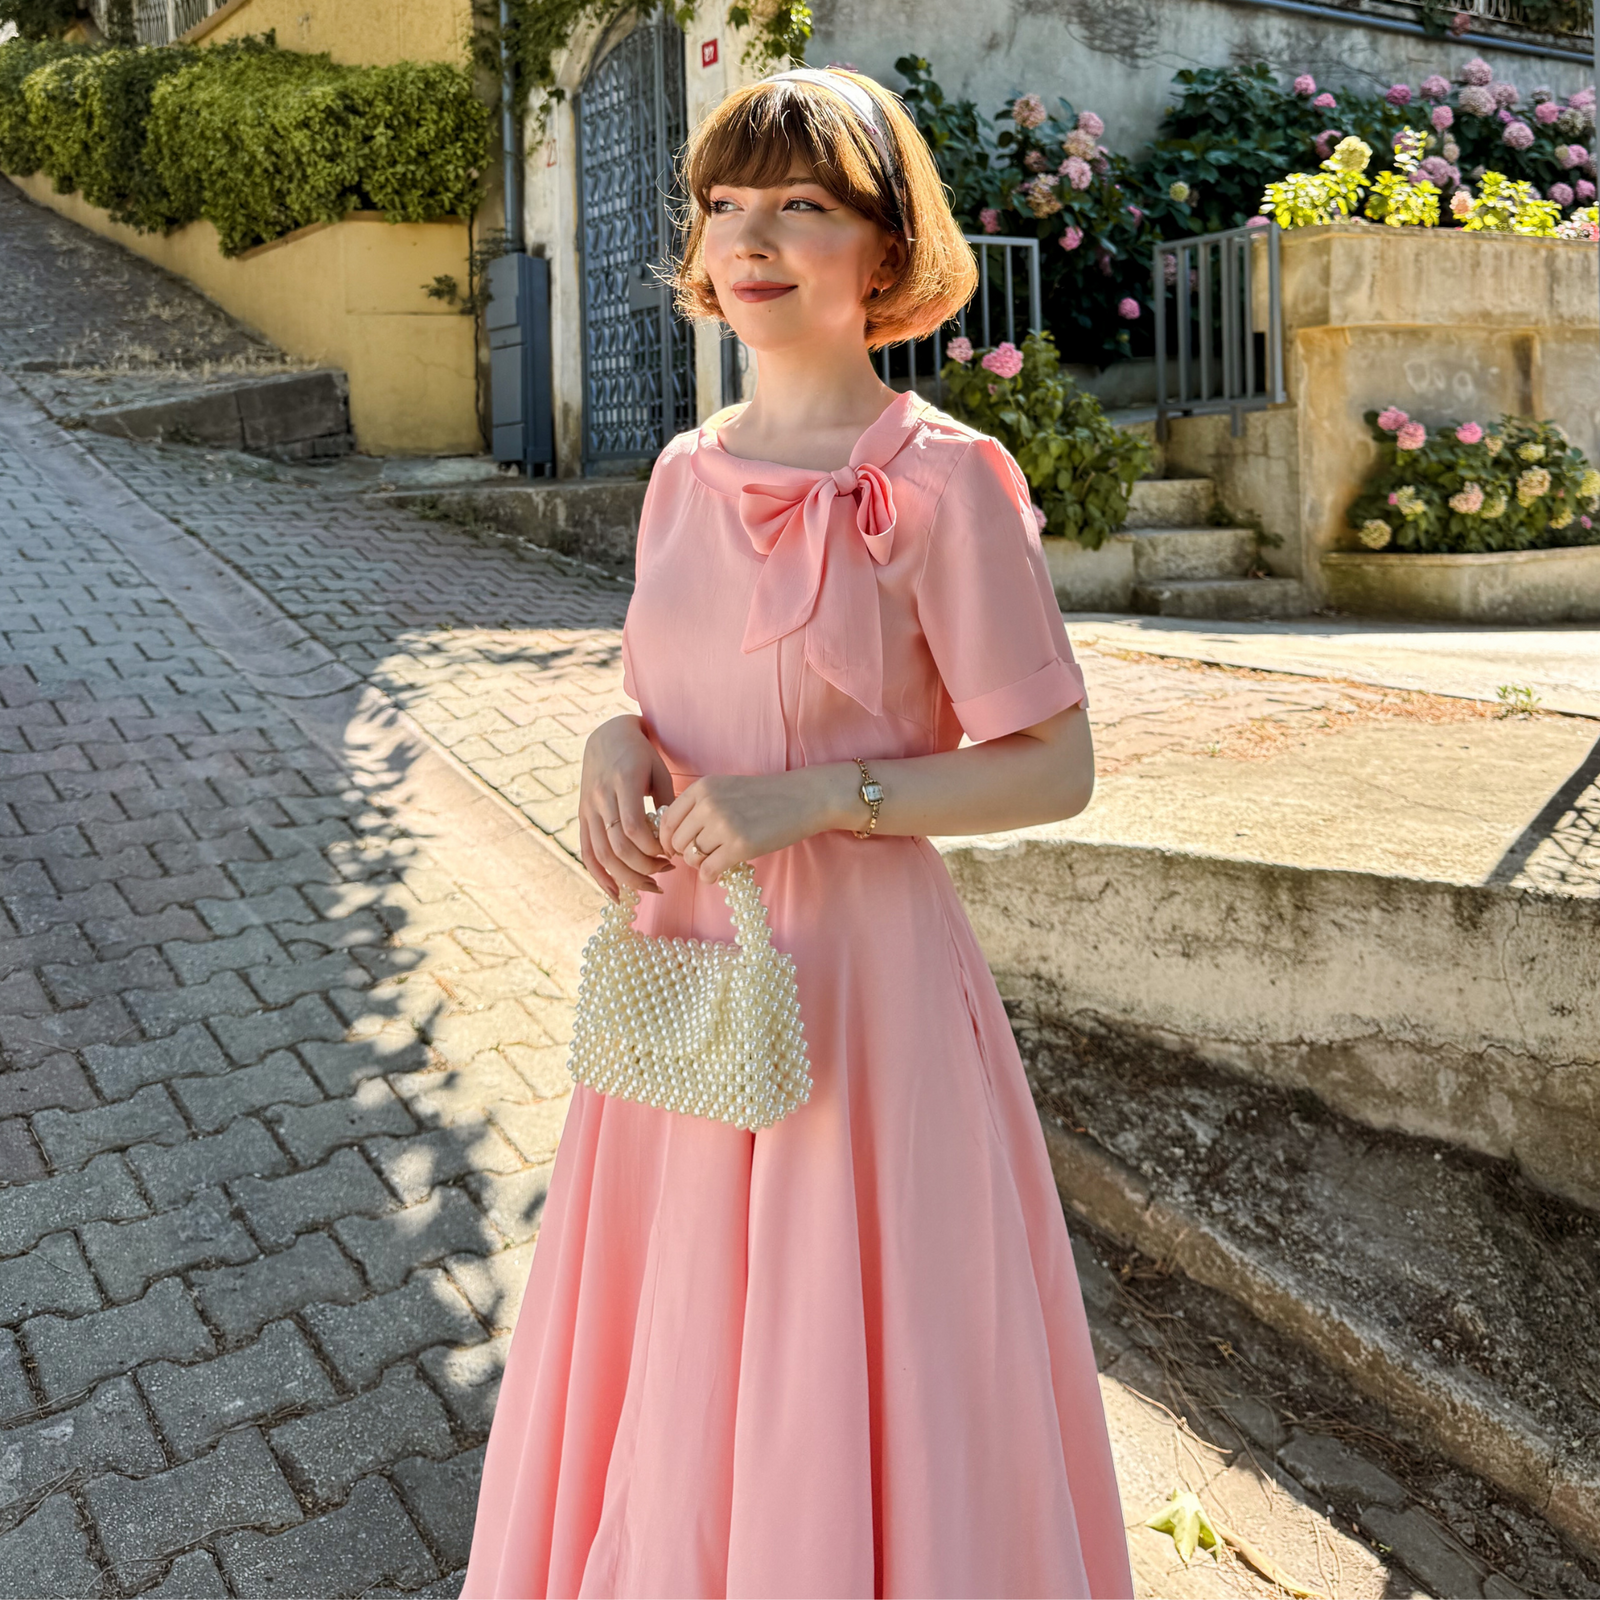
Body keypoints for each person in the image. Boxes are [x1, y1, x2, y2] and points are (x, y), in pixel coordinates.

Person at [461, 65, 1133, 1600]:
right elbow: (667, 699)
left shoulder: (947, 485)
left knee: (849, 1343)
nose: (750, 239)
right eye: (725, 205)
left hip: (863, 994)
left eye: (803, 205)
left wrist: (827, 797)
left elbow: (1056, 767)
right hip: (684, 977)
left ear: (885, 250)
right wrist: (616, 743)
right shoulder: (682, 473)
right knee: (681, 1332)